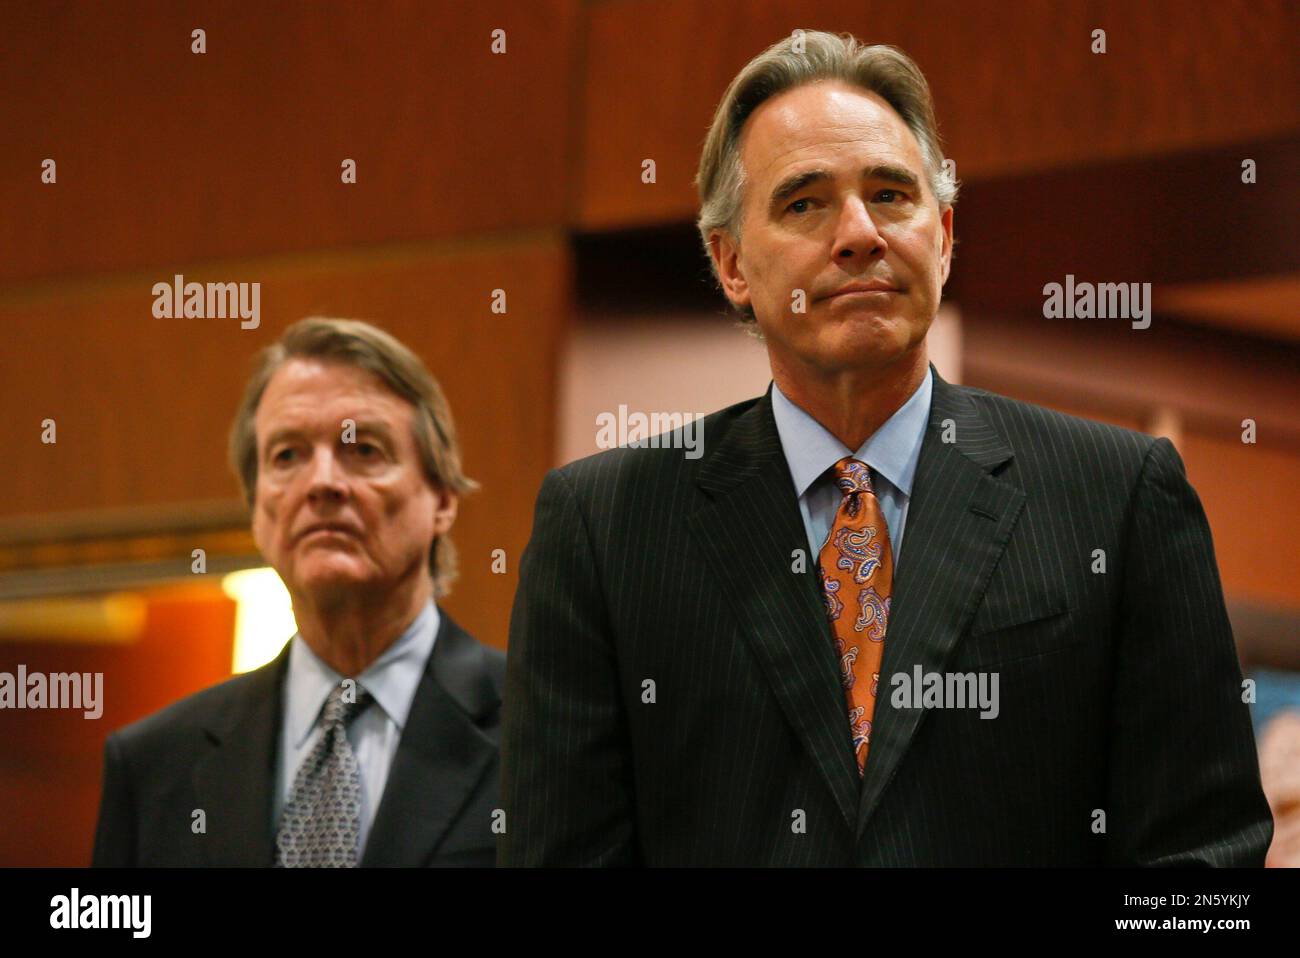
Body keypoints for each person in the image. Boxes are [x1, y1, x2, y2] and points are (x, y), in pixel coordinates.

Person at [500, 31, 1273, 866]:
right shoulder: (606, 526)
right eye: (805, 203)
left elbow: (1207, 870)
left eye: (891, 195)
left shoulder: (1116, 495)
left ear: (942, 236)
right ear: (729, 264)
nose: (860, 233)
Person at [93, 318, 503, 867]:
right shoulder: (154, 763)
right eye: (287, 455)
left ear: (443, 499)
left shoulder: (543, 730)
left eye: (364, 450)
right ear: (256, 507)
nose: (322, 482)